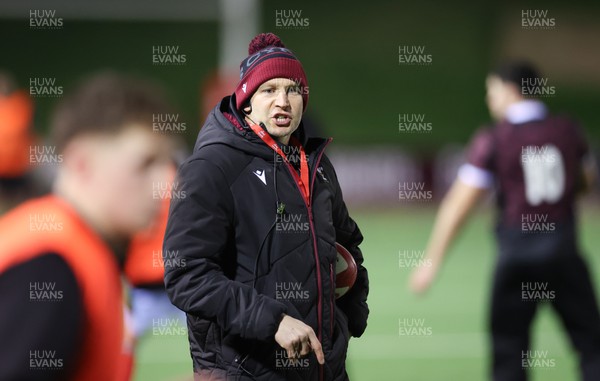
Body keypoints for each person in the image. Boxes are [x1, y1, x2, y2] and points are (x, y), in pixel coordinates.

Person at [163, 33, 369, 380]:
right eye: (269, 90)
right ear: (246, 100)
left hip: (322, 368)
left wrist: (350, 312)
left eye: (293, 90)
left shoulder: (316, 166)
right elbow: (186, 274)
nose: (283, 101)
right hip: (242, 369)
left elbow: (347, 244)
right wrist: (273, 321)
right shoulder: (211, 168)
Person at [410, 61, 600, 381]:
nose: (489, 98)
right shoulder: (567, 129)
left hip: (517, 259)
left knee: (509, 354)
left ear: (511, 90)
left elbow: (459, 204)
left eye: (492, 90)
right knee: (592, 348)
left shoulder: (495, 138)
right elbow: (585, 181)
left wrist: (431, 261)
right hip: (564, 254)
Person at [0, 72, 174, 380]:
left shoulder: (85, 250)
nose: (166, 184)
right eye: (145, 163)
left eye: (167, 164)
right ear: (81, 162)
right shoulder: (50, 266)